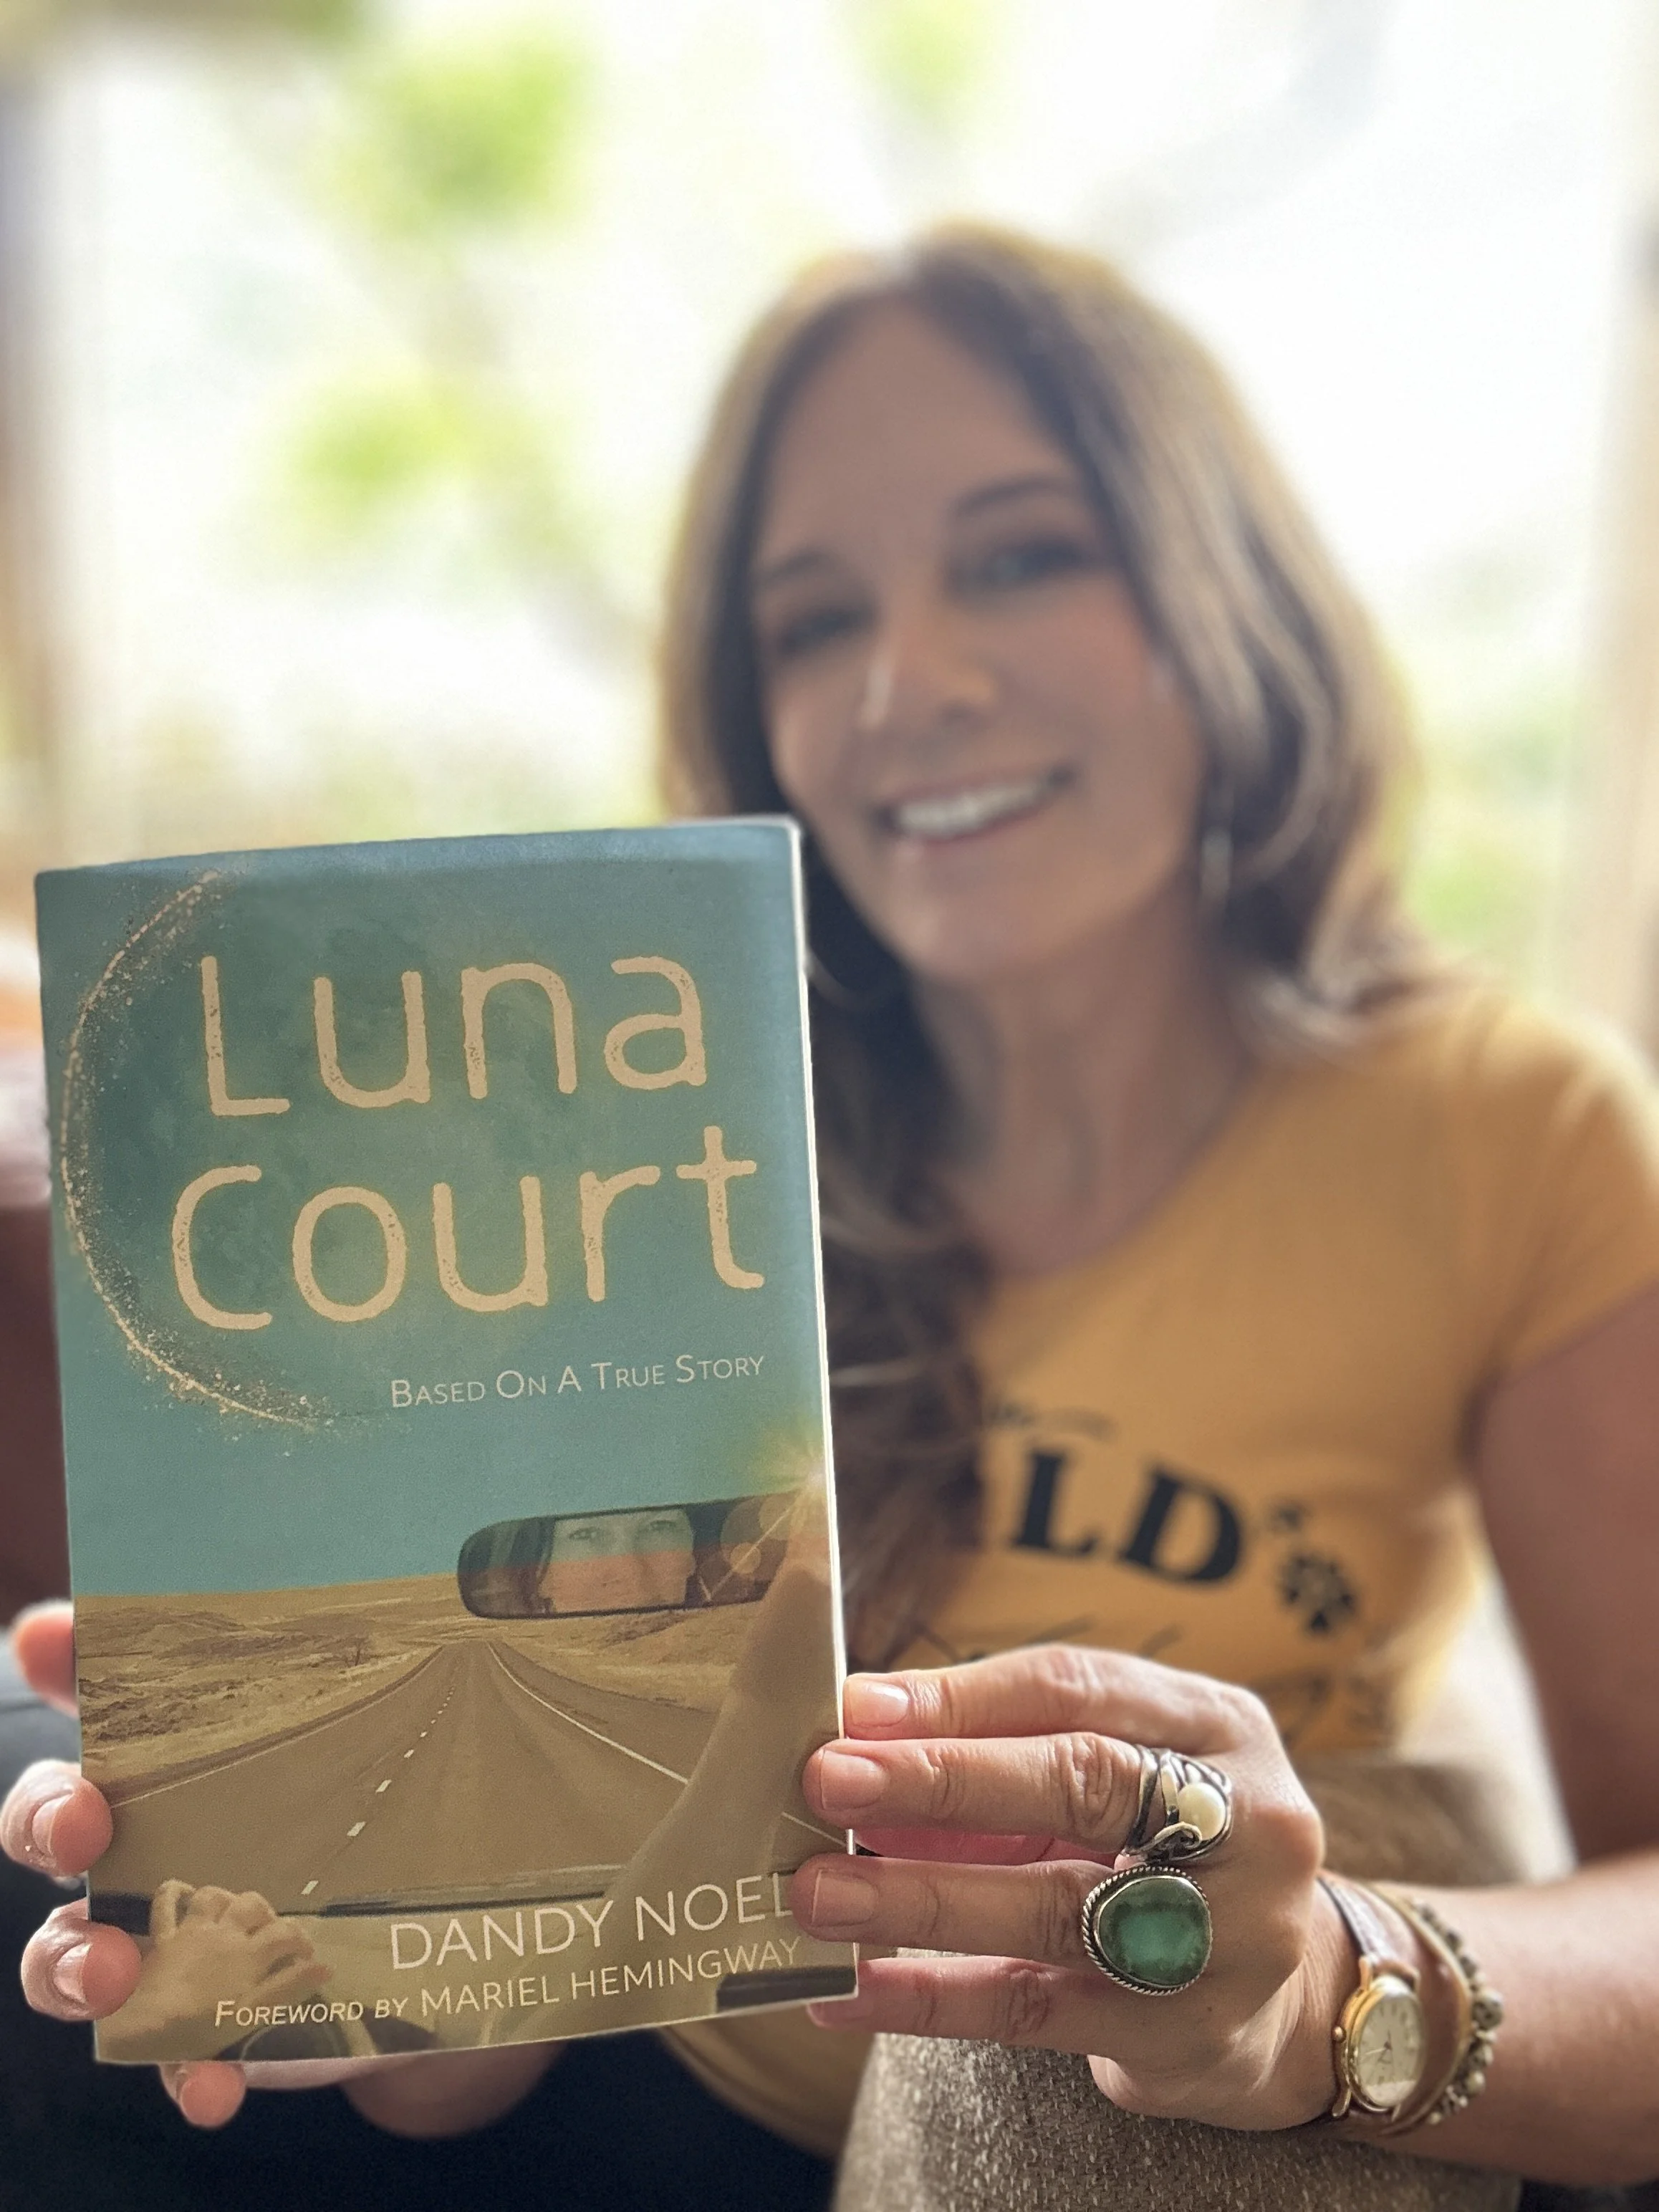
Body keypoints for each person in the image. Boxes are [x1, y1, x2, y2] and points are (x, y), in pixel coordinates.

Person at [6, 224, 1659, 2203]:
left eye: (1020, 553)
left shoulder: (1502, 1127)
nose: (911, 685)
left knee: (1046, 2043)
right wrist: (390, 1961)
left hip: (1099, 2115)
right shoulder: (625, 1122)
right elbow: (481, 2046)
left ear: (1219, 593)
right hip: (638, 2104)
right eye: (809, 621)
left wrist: (1327, 1979)